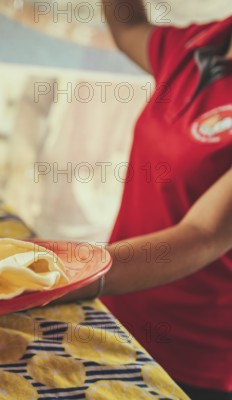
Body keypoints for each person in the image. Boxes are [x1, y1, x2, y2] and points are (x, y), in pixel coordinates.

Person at [60, 1, 232, 399]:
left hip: (193, 359)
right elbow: (128, 27)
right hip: (117, 310)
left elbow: (204, 233)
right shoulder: (197, 45)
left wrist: (67, 273)